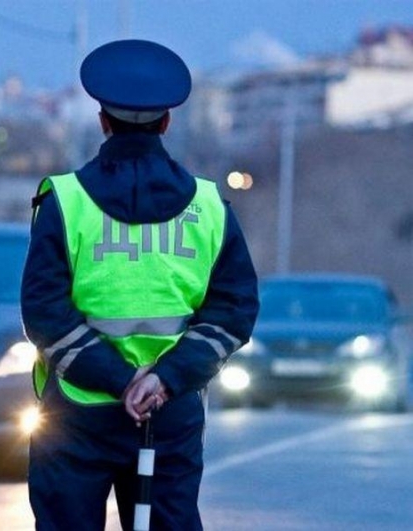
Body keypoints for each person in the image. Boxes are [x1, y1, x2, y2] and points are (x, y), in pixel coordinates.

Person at [20, 39, 260, 531]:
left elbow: (44, 312)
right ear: (167, 123)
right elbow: (234, 311)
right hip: (168, 414)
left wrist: (117, 379)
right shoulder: (211, 208)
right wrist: (162, 380)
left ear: (102, 121)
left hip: (76, 414)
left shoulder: (64, 202)